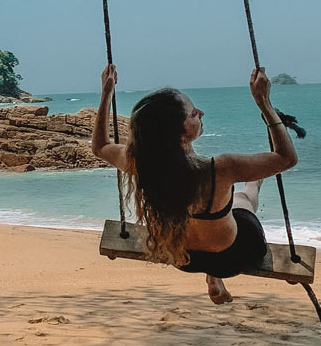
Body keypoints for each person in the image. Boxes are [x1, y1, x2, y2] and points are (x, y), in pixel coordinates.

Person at [92, 64, 298, 305]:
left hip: (184, 259)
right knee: (244, 199)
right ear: (179, 133)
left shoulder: (141, 163)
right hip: (235, 257)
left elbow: (99, 146)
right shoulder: (222, 168)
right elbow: (287, 158)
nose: (200, 113)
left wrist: (106, 95)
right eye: (192, 114)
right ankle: (253, 186)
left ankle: (214, 275)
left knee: (223, 206)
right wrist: (264, 103)